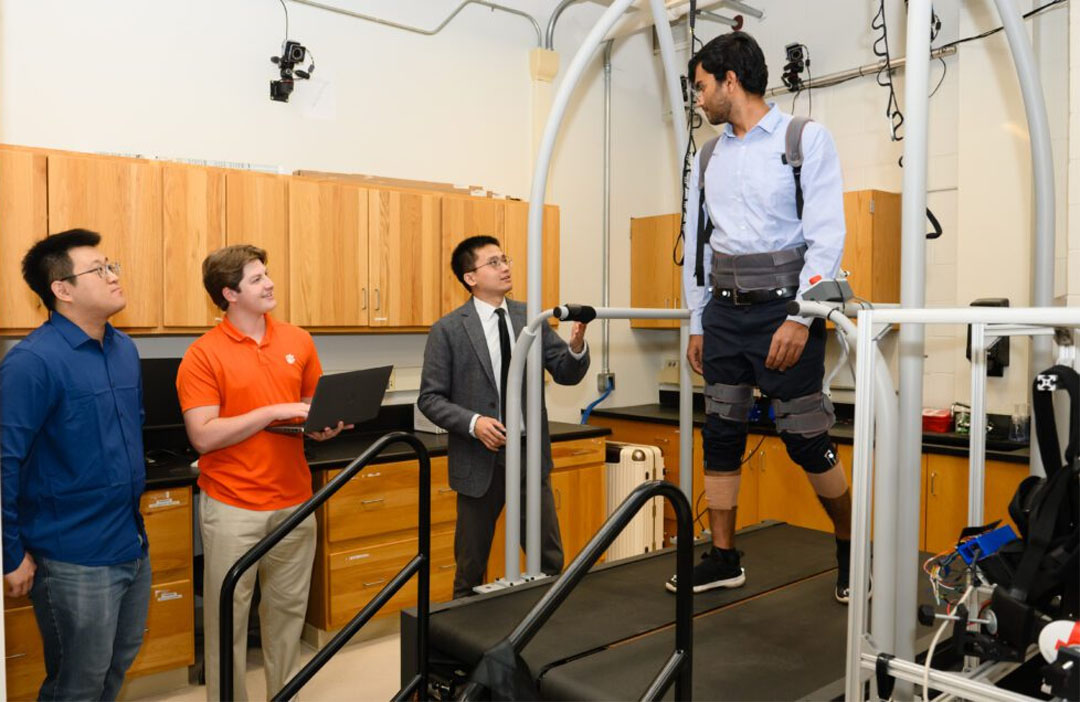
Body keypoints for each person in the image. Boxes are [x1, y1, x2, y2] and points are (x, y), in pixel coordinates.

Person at [670, 31, 855, 603]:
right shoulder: (709, 155)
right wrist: (698, 321)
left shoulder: (805, 139)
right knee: (720, 432)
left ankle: (853, 546)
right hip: (724, 313)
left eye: (701, 86)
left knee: (804, 438)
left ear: (730, 80)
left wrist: (802, 317)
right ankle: (724, 557)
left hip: (786, 309)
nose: (697, 98)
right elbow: (700, 246)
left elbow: (826, 239)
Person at [176, 244, 347, 700]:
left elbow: (308, 411)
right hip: (233, 506)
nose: (269, 283)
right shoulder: (202, 355)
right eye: (256, 279)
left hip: (295, 500)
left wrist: (322, 428)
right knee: (226, 619)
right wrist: (274, 410)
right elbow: (204, 436)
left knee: (287, 616)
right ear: (229, 293)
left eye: (266, 274)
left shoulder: (298, 339)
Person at [1, 228, 151, 700]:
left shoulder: (124, 349)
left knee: (115, 668)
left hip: (130, 541)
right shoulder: (32, 362)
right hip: (72, 556)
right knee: (76, 684)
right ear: (62, 290)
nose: (113, 276)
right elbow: (4, 460)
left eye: (112, 266)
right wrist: (8, 552)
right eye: (99, 270)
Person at [418, 236, 590, 598]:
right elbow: (430, 399)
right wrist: (474, 422)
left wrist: (575, 347)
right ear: (470, 277)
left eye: (505, 259)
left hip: (528, 454)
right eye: (493, 262)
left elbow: (566, 372)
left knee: (548, 559)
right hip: (479, 459)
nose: (505, 267)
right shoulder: (448, 330)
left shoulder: (531, 318)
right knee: (470, 566)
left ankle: (546, 636)